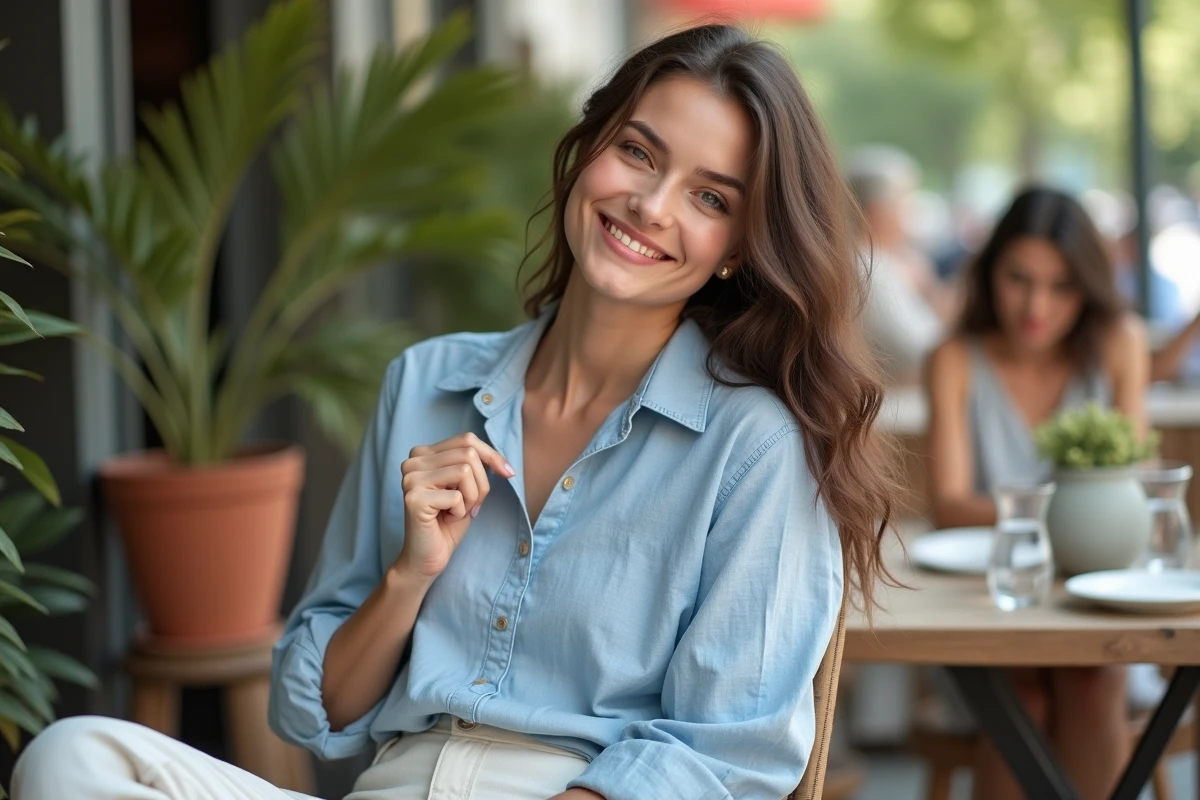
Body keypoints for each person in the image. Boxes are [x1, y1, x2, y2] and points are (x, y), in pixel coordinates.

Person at [12, 23, 900, 800]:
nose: (651, 205)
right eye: (638, 152)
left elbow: (728, 751)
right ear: (588, 149)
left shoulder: (754, 445)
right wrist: (411, 574)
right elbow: (318, 710)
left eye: (710, 198)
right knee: (72, 758)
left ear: (738, 247)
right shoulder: (426, 383)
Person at [925, 187, 1150, 800]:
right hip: (988, 601)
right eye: (1018, 279)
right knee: (1018, 693)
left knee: (1093, 680)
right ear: (989, 272)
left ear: (1089, 288)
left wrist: (1028, 516)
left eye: (1062, 287)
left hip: (1093, 597)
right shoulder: (954, 358)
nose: (1036, 307)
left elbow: (1129, 490)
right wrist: (1079, 518)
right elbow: (948, 505)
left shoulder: (1119, 343)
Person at [847, 145, 960, 384]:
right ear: (878, 212)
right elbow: (924, 352)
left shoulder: (872, 263)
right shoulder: (871, 270)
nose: (911, 214)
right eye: (905, 202)